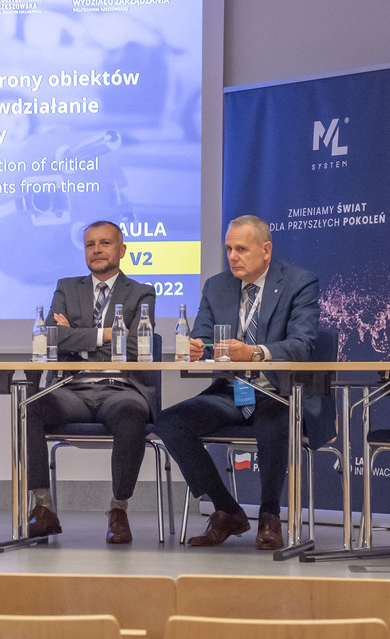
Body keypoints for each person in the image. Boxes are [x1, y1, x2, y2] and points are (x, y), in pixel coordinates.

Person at [158, 215, 320, 551]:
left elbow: (302, 345)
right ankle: (227, 510)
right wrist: (195, 348)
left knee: (275, 422)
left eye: (241, 249)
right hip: (232, 392)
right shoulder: (216, 287)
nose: (233, 256)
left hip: (277, 391)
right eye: (229, 249)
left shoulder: (298, 283)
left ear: (266, 250)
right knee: (170, 421)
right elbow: (203, 339)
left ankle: (270, 515)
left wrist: (255, 353)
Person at [24, 220, 157, 544]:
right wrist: (108, 334)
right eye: (90, 244)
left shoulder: (141, 292)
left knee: (132, 414)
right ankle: (42, 506)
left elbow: (136, 347)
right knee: (31, 408)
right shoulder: (67, 288)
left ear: (122, 250)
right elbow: (52, 337)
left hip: (120, 388)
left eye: (105, 243)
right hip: (72, 389)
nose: (97, 250)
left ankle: (118, 509)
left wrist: (77, 337)